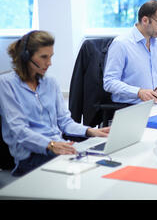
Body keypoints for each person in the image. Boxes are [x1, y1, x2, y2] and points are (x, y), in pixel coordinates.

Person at [0, 31, 110, 176]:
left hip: (59, 147)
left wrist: (91, 131)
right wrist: (51, 145)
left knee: (103, 160)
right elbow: (19, 130)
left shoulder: (50, 83)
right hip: (30, 157)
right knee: (87, 172)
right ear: (26, 57)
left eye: (51, 57)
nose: (49, 63)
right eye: (44, 57)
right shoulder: (7, 84)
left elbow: (64, 122)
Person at [103, 0, 157, 104]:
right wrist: (138, 92)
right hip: (129, 107)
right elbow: (109, 82)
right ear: (145, 20)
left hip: (152, 103)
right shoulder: (121, 44)